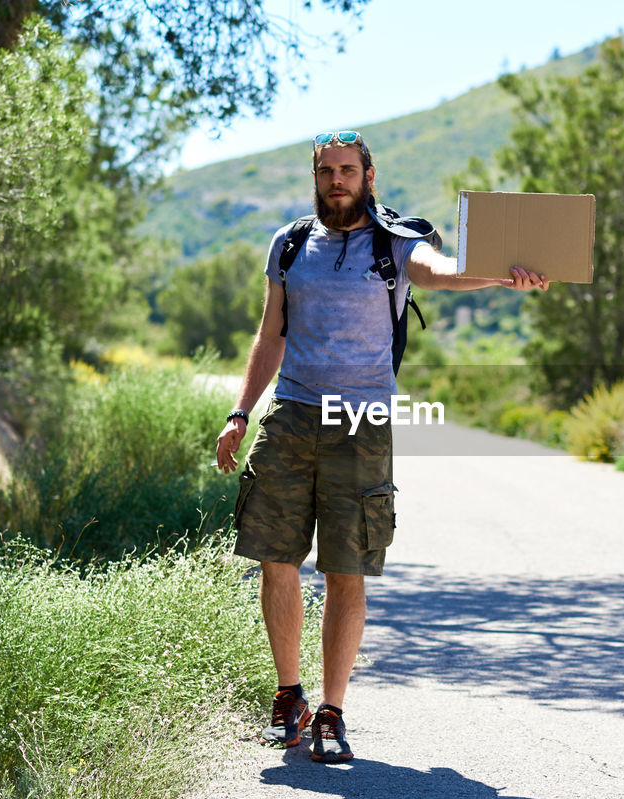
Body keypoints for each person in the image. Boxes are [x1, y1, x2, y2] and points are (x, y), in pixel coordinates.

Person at [215, 130, 548, 764]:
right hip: (290, 416)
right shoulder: (289, 245)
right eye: (326, 171)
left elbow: (441, 273)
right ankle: (290, 699)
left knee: (346, 568)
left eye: (347, 170)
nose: (336, 180)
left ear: (370, 175)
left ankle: (332, 712)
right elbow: (270, 334)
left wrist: (502, 277)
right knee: (275, 558)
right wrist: (241, 411)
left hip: (360, 422)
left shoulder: (396, 243)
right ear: (314, 177)